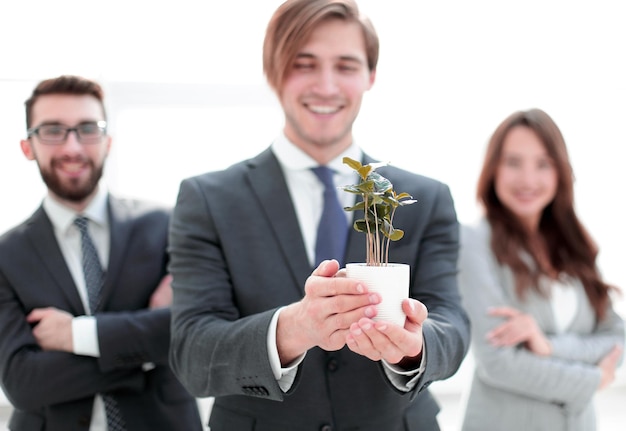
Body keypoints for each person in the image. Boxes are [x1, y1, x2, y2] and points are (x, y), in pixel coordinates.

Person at [168, 1, 470, 430]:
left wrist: (416, 345)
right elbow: (193, 353)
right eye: (304, 64)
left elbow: (453, 325)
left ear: (370, 75)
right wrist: (293, 328)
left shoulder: (426, 198)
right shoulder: (208, 199)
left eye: (346, 66)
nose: (326, 86)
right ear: (273, 70)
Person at [0, 75, 203, 431]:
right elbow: (23, 383)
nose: (73, 147)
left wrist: (76, 335)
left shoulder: (166, 226)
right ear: (27, 147)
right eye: (52, 131)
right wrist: (143, 353)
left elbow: (191, 331)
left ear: (108, 141)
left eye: (87, 129)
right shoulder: (6, 255)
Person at [457, 108, 624, 431]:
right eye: (513, 162)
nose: (528, 180)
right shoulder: (474, 241)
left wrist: (549, 347)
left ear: (560, 171)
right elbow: (499, 363)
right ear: (493, 169)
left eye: (543, 164)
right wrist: (594, 378)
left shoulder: (573, 246)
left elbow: (617, 340)